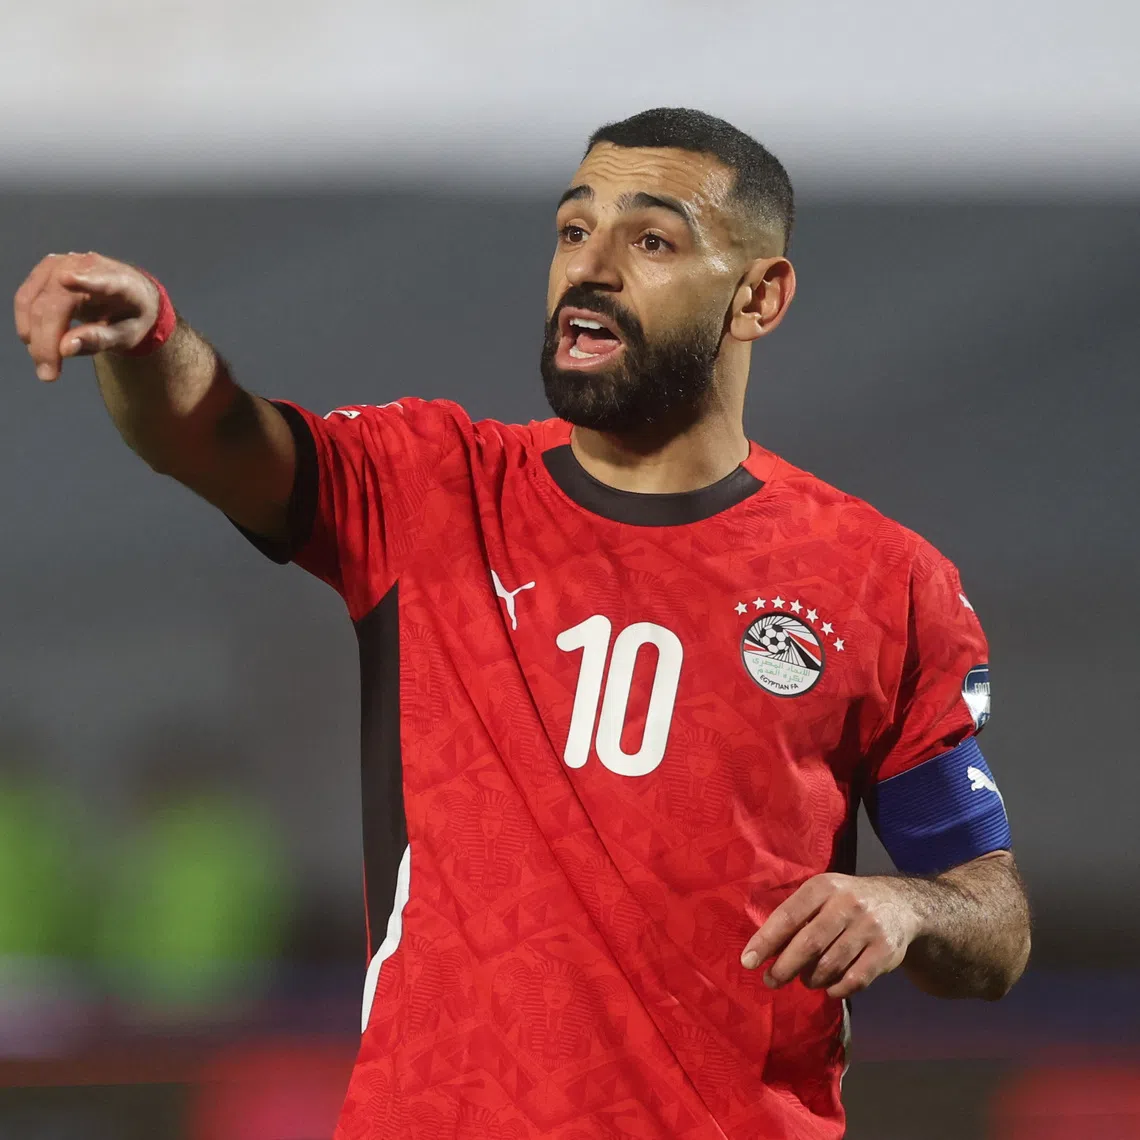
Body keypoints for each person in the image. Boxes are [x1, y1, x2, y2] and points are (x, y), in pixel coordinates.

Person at [14, 108, 1030, 1139]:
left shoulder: (878, 580)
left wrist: (906, 908)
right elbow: (213, 435)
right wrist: (151, 339)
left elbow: (993, 919)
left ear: (759, 296)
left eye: (650, 240)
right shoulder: (432, 488)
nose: (590, 267)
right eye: (572, 230)